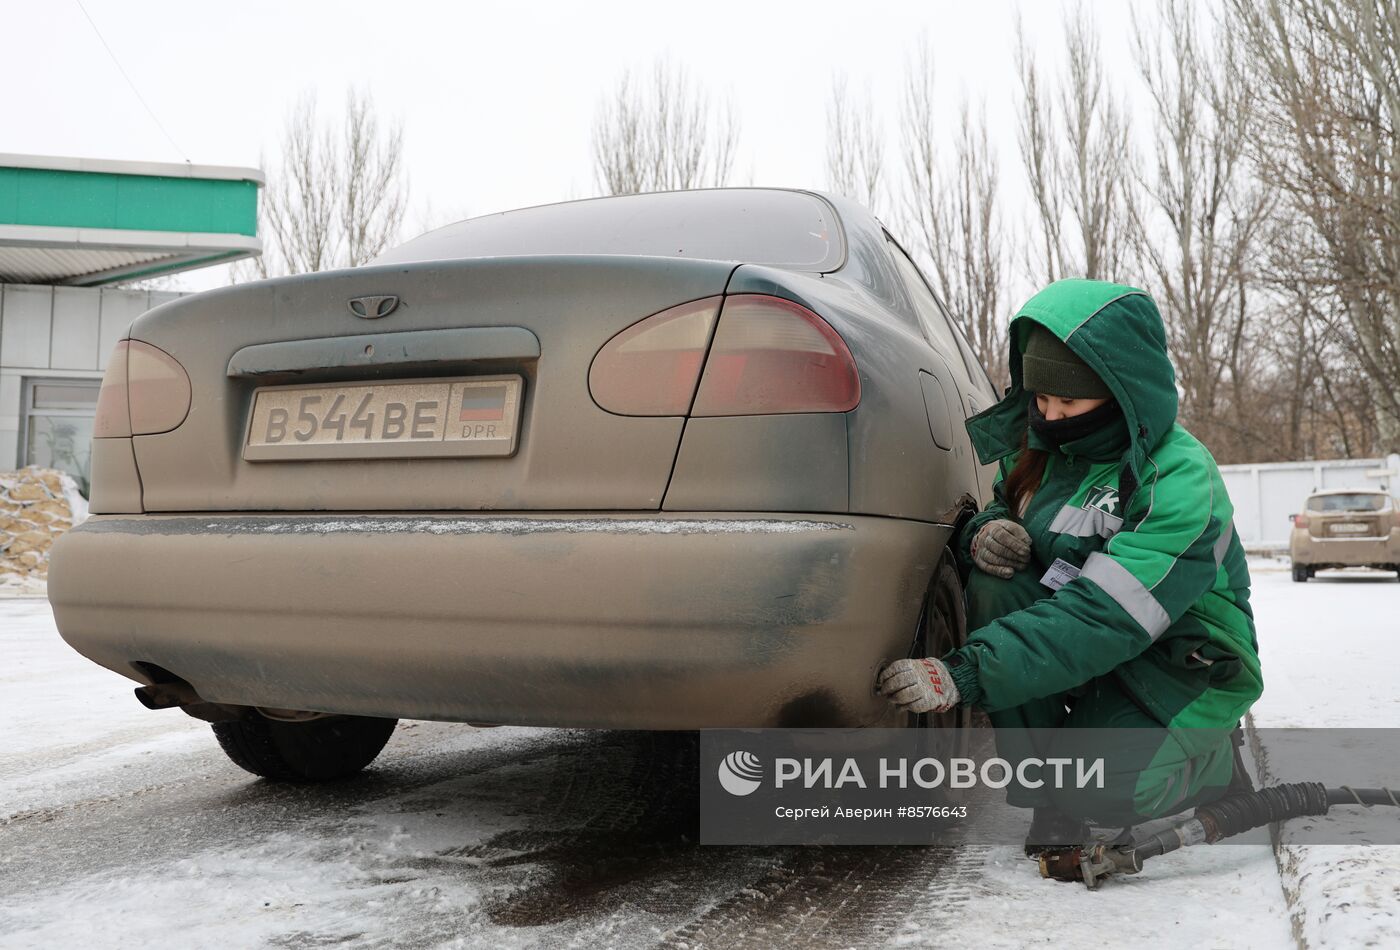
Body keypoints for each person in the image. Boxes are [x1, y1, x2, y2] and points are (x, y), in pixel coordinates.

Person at [878, 278, 1263, 854]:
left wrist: (966, 671)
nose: (1052, 417)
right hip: (1087, 648)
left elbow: (1108, 614)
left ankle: (1212, 763)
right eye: (1042, 400)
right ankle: (1050, 802)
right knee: (996, 584)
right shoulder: (1042, 450)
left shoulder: (1179, 478)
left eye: (1070, 403)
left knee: (1104, 789)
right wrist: (985, 533)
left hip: (1178, 657)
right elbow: (1000, 510)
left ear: (1120, 390)